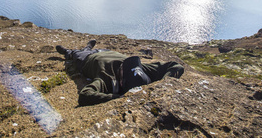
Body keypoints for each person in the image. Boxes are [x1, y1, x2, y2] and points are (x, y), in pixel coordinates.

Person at [56, 40, 184, 106]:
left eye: (124, 67)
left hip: (87, 60)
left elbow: (85, 95)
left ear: (122, 81)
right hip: (106, 52)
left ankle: (68, 52)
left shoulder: (107, 80)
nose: (124, 64)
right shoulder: (140, 69)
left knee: (76, 54)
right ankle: (88, 47)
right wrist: (163, 84)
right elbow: (176, 66)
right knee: (88, 50)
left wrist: (119, 98)